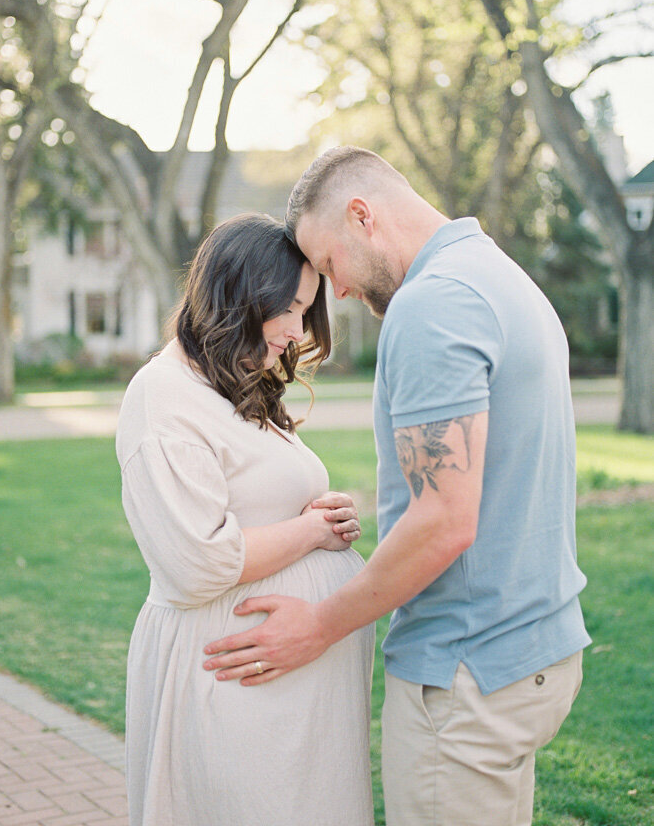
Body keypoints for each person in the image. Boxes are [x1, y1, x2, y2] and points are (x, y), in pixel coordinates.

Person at [204, 147, 591, 826]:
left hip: (465, 673)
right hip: (531, 654)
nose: (340, 292)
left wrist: (318, 626)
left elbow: (445, 520)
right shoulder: (495, 275)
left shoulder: (432, 305)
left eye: (330, 266)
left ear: (362, 217)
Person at [116, 212, 375, 826]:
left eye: (304, 309)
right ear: (238, 292)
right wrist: (312, 533)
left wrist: (324, 515)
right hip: (234, 676)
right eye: (286, 306)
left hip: (287, 687)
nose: (295, 329)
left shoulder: (231, 385)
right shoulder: (163, 397)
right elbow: (198, 560)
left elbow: (255, 499)